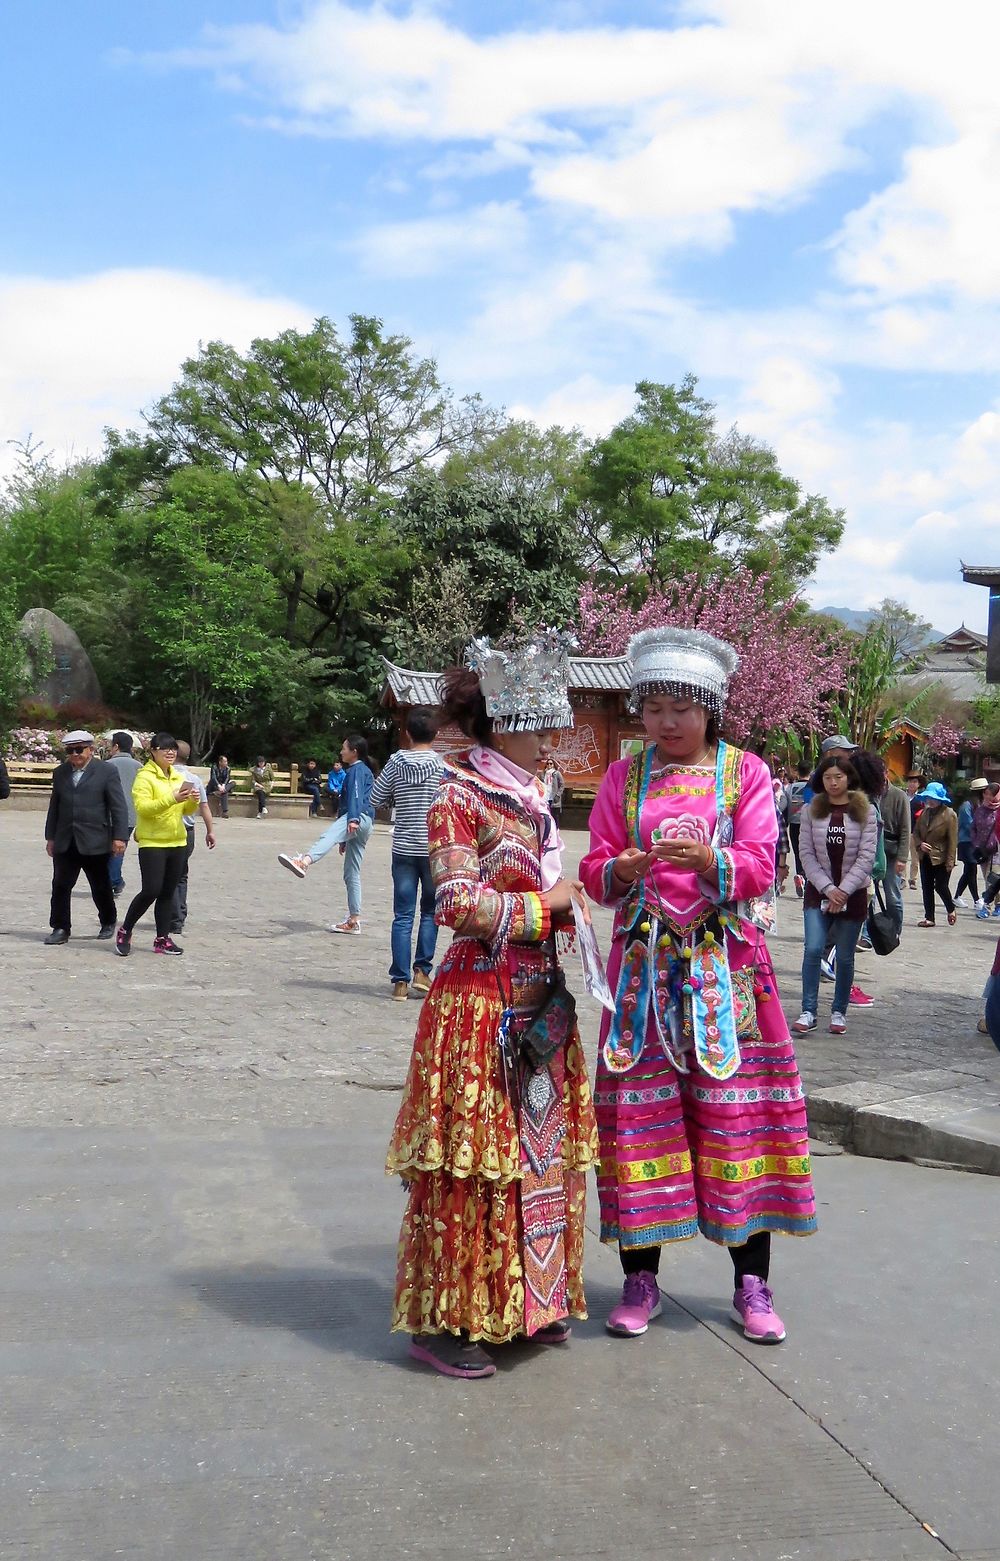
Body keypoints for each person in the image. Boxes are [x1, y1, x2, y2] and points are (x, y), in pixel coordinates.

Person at [579, 627, 816, 1346]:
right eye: (653, 706)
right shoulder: (625, 777)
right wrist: (620, 870)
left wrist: (710, 857)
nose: (667, 721)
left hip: (726, 975)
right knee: (639, 1122)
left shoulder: (744, 773)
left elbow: (759, 862)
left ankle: (752, 1283)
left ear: (711, 706)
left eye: (682, 706)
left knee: (738, 1120)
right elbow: (592, 868)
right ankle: (639, 1279)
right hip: (645, 977)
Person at [386, 630, 598, 1378]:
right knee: (477, 1163)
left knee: (536, 1156)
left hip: (538, 1001)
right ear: (503, 723)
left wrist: (567, 905)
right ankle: (448, 1321)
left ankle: (525, 1303)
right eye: (543, 727)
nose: (553, 740)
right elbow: (454, 902)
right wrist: (549, 906)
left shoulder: (535, 801)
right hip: (477, 1004)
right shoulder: (458, 791)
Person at [795, 753, 878, 1035]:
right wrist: (829, 889)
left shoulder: (866, 811)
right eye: (828, 777)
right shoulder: (810, 811)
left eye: (838, 777)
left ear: (849, 778)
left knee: (844, 956)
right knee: (813, 949)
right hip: (818, 892)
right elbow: (805, 853)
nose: (833, 783)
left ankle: (839, 1011)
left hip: (853, 894)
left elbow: (867, 857)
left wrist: (843, 891)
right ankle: (808, 1010)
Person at [369, 708, 444, 1001]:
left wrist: (395, 796)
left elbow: (376, 797)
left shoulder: (396, 763)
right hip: (433, 849)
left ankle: (399, 981)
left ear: (408, 733)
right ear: (435, 735)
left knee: (402, 914)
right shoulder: (442, 767)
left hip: (403, 846)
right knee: (430, 912)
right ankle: (422, 971)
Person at [278, 735, 376, 934]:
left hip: (358, 816)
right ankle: (354, 919)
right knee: (352, 873)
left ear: (354, 751)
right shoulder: (362, 770)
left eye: (344, 748)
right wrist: (345, 837)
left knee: (328, 836)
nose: (341, 752)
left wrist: (353, 819)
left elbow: (355, 795)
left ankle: (304, 861)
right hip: (365, 820)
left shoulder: (357, 769)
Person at [115, 734, 199, 956]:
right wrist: (172, 798)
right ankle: (125, 929)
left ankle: (162, 938)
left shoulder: (177, 776)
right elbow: (143, 808)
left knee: (168, 892)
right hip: (152, 842)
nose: (170, 753)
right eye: (164, 749)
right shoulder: (144, 777)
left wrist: (192, 800)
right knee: (151, 889)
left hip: (178, 840)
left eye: (173, 749)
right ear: (153, 751)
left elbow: (187, 811)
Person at [43, 730, 128, 945]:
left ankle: (108, 921)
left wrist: (119, 836)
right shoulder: (60, 773)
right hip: (66, 838)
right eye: (70, 750)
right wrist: (50, 837)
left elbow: (118, 806)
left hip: (95, 838)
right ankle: (60, 927)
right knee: (61, 885)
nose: (75, 754)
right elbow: (55, 806)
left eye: (79, 749)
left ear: (90, 749)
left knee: (100, 885)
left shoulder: (106, 771)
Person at [170, 740, 217, 935]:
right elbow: (204, 807)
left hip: (170, 830)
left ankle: (173, 917)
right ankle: (180, 914)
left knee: (169, 876)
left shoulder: (167, 777)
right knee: (181, 875)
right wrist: (210, 830)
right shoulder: (193, 779)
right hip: (189, 832)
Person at [913, 782, 958, 928]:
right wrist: (920, 844)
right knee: (926, 886)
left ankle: (950, 908)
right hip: (925, 856)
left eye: (933, 798)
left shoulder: (949, 814)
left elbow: (952, 840)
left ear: (940, 799)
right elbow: (916, 833)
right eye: (927, 798)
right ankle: (929, 917)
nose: (930, 801)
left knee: (940, 886)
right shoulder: (924, 813)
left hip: (941, 857)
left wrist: (950, 861)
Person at [105, 732, 142, 898]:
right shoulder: (139, 767)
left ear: (116, 746)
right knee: (119, 849)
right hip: (130, 815)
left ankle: (113, 880)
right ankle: (115, 880)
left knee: (107, 850)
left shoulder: (106, 765)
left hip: (107, 814)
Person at [954, 778, 989, 908]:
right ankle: (976, 899)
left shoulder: (981, 805)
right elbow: (969, 825)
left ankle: (957, 896)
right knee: (971, 869)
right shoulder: (966, 806)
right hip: (966, 842)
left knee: (969, 871)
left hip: (975, 843)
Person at [786, 760, 812, 896]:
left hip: (794, 825)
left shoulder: (790, 788)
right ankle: (808, 880)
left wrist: (784, 823)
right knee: (809, 852)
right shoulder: (811, 787)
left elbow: (783, 806)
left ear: (798, 772)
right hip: (809, 825)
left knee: (797, 852)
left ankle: (800, 876)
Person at [905, 775, 924, 888]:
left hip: (915, 831)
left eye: (915, 782)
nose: (912, 784)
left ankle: (913, 879)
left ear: (918, 784)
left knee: (915, 857)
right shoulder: (903, 796)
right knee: (902, 855)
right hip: (903, 829)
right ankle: (902, 878)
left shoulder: (921, 798)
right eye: (910, 781)